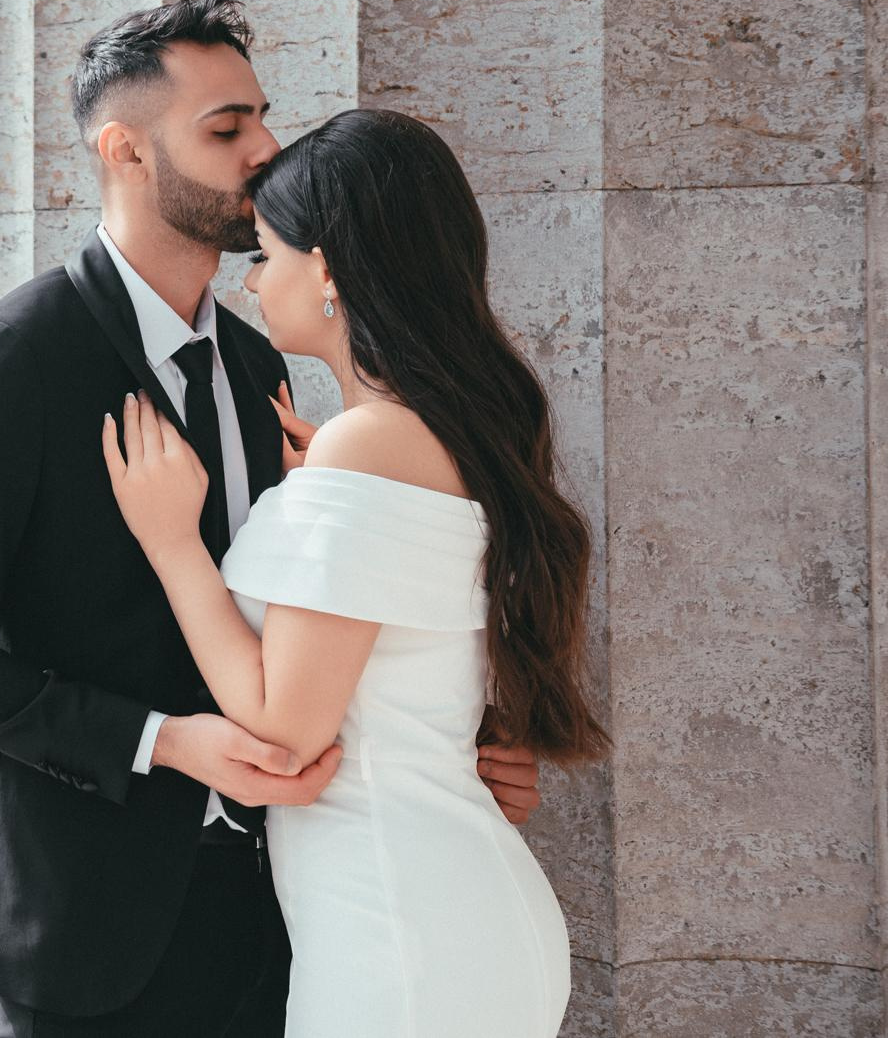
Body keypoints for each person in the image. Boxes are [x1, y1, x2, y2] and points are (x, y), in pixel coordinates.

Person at [0, 0, 546, 1036]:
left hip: (283, 913)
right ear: (126, 151)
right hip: (85, 924)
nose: (265, 149)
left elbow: (321, 625)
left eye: (263, 117)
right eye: (227, 128)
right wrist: (163, 742)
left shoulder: (256, 360)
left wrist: (458, 739)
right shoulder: (11, 361)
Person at [101, 106, 609, 1037]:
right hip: (448, 911)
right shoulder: (451, 429)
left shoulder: (366, 444)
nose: (253, 283)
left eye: (266, 254)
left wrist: (174, 544)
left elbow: (282, 730)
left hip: (398, 931)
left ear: (326, 268)